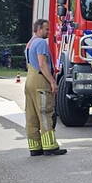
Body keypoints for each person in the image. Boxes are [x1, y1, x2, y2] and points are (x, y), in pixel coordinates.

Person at [24, 20, 66, 155]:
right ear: (39, 29)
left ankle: (35, 147)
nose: (49, 32)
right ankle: (50, 146)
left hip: (29, 80)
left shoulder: (29, 43)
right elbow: (42, 64)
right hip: (40, 81)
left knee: (31, 116)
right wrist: (52, 82)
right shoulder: (41, 43)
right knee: (45, 113)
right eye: (46, 29)